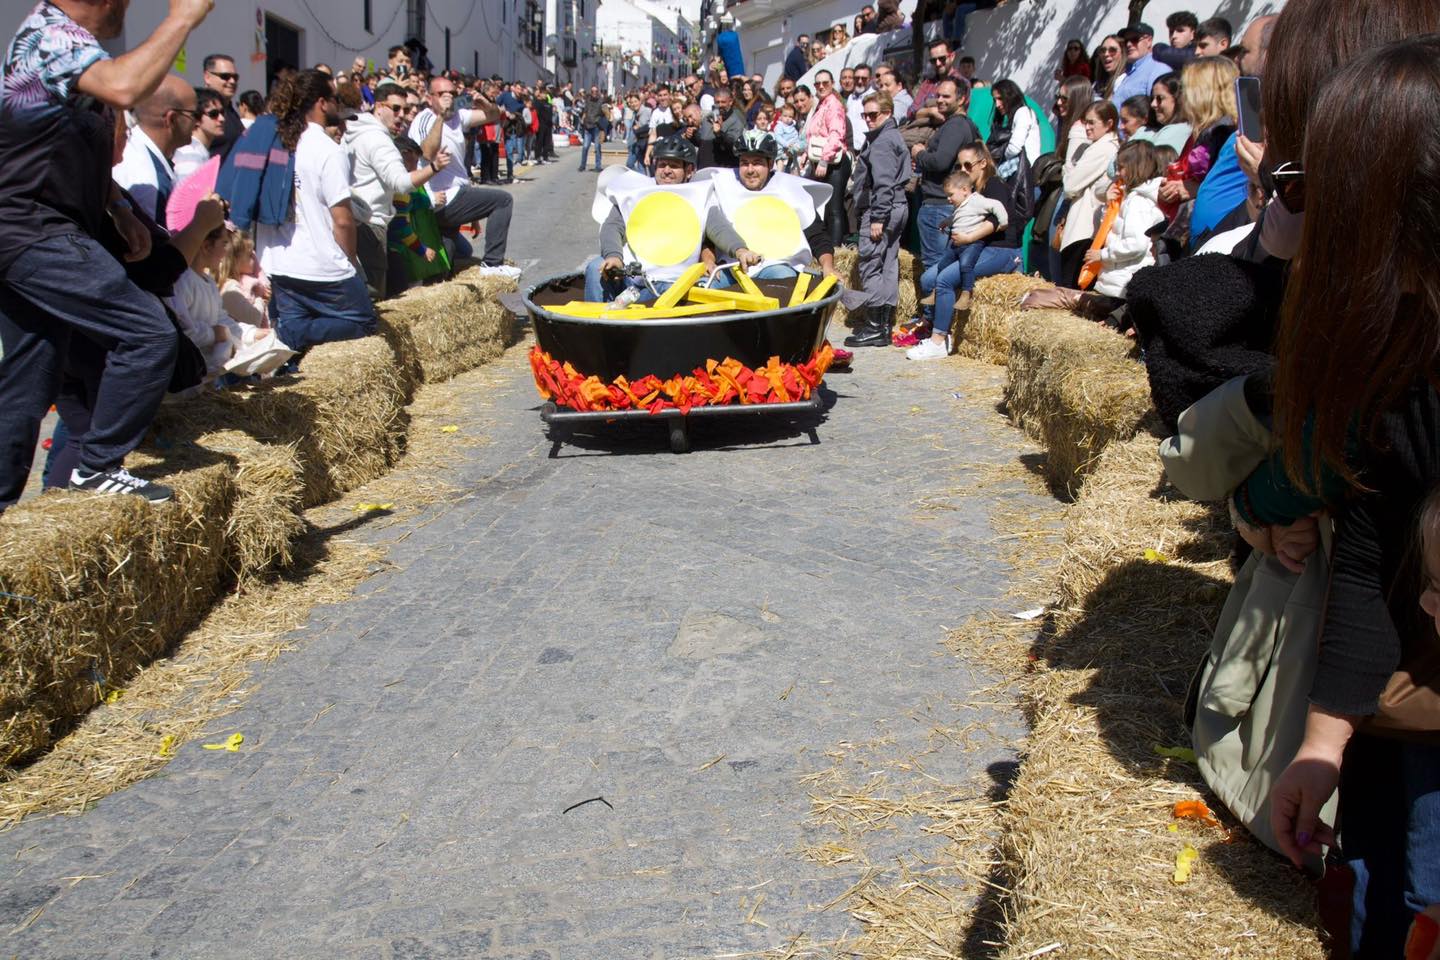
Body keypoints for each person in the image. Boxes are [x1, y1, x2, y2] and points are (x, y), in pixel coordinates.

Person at [1211, 37, 1440, 956]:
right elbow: (1370, 546)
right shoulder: (1401, 346)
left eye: (1328, 190)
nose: (1304, 211)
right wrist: (1323, 741)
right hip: (1404, 711)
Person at [0, 0, 216, 509]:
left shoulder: (76, 48)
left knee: (31, 376)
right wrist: (182, 17)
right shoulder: (52, 36)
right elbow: (125, 87)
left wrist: (117, 206)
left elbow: (65, 146)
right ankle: (96, 468)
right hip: (33, 227)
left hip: (35, 227)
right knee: (148, 333)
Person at [253, 69, 377, 356]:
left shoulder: (276, 142)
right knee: (365, 322)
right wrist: (350, 261)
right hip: (321, 264)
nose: (337, 106)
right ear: (322, 103)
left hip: (278, 261)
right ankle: (287, 333)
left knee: (302, 337)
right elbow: (343, 220)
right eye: (334, 99)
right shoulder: (327, 149)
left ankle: (289, 334)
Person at [584, 134, 752, 303]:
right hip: (632, 278)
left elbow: (719, 228)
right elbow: (612, 226)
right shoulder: (634, 191)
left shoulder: (700, 195)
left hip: (673, 283)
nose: (666, 170)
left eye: (674, 165)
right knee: (594, 267)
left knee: (680, 292)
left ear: (689, 170)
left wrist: (740, 250)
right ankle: (597, 318)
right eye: (662, 164)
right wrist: (614, 256)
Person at [908, 143, 1019, 360]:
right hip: (975, 248)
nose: (963, 170)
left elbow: (997, 221)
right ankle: (936, 327)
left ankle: (938, 341)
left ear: (983, 163)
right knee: (929, 278)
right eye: (959, 166)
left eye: (968, 165)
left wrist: (968, 238)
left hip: (1000, 249)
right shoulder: (970, 190)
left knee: (945, 280)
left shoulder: (994, 186)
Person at [340, 82, 448, 300]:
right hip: (370, 225)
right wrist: (434, 168)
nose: (402, 116)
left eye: (405, 110)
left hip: (353, 220)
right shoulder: (379, 140)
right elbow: (401, 183)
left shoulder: (352, 131)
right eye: (396, 108)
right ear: (379, 107)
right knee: (373, 298)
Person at [408, 75, 516, 275]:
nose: (448, 97)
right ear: (430, 98)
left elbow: (494, 116)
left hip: (457, 193)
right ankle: (492, 265)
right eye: (442, 94)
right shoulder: (424, 119)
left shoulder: (459, 115)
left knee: (447, 265)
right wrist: (441, 117)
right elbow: (427, 153)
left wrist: (485, 103)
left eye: (452, 93)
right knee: (503, 201)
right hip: (441, 197)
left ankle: (439, 277)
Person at [841, 91, 909, 349]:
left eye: (873, 115)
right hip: (897, 206)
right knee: (888, 264)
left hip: (882, 208)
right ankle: (884, 326)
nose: (868, 120)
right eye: (865, 115)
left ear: (888, 113)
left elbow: (883, 183)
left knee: (871, 265)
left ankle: (873, 327)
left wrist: (878, 217)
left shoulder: (882, 142)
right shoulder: (892, 136)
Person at [910, 79, 982, 317]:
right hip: (948, 204)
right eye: (938, 95)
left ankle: (932, 323)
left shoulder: (955, 126)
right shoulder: (966, 126)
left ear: (962, 99)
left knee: (935, 267)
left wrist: (920, 154)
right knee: (943, 266)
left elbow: (940, 161)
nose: (939, 100)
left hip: (939, 204)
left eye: (946, 97)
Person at [1084, 139, 1165, 299]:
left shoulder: (1138, 202)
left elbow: (1136, 243)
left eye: (1121, 168)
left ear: (1135, 168)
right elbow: (1114, 229)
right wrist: (1109, 205)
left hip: (1123, 284)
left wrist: (1103, 255)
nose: (1117, 173)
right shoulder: (1131, 197)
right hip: (1117, 281)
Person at [112, 74, 197, 224]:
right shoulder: (148, 182)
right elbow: (151, 239)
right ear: (172, 119)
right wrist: (202, 224)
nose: (198, 122)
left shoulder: (141, 151)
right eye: (195, 114)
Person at [1159, 56, 1237, 216]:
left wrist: (1196, 188)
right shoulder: (1200, 133)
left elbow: (1233, 190)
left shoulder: (1227, 133)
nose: (1181, 97)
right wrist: (1170, 191)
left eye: (1185, 89)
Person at [1057, 100, 1119, 286]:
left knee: (1071, 287)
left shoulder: (1103, 148)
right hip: (1087, 227)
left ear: (1109, 124)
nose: (1087, 128)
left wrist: (1069, 166)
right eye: (1085, 122)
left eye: (1092, 122)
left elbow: (1070, 186)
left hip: (1084, 228)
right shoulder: (1103, 146)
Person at [803, 70, 850, 248]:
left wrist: (824, 160)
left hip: (834, 162)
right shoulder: (821, 105)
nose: (821, 86)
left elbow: (836, 135)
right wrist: (807, 155)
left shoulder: (834, 105)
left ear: (832, 84)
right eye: (817, 84)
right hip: (822, 160)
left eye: (825, 83)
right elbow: (814, 135)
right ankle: (827, 246)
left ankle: (836, 249)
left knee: (834, 209)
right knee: (825, 208)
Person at [988, 79, 1042, 179]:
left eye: (1000, 98)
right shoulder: (1016, 115)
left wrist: (1002, 158)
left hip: (1026, 175)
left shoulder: (1023, 112)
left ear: (1010, 96)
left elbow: (1014, 148)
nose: (997, 104)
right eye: (995, 100)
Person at [1110, 24, 1171, 109]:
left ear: (1149, 41)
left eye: (1134, 39)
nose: (1129, 44)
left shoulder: (1158, 69)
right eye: (1126, 41)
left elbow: (1158, 108)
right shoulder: (1129, 71)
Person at [172, 87, 225, 181]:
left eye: (222, 112)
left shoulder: (198, 151)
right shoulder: (190, 154)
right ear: (196, 118)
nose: (222, 119)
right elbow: (187, 189)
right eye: (214, 114)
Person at [908, 39, 962, 123]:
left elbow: (959, 115)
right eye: (933, 60)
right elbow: (911, 112)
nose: (938, 63)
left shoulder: (961, 83)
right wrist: (930, 111)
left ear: (952, 56)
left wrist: (922, 112)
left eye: (942, 58)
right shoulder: (927, 84)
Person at [201, 53, 243, 159]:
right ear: (207, 77)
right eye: (225, 76)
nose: (232, 81)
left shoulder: (230, 111)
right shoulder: (198, 109)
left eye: (235, 77)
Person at [711, 86, 746, 169]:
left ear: (730, 102)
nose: (720, 105)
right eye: (717, 102)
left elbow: (733, 143)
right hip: (711, 165)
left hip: (729, 166)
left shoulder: (737, 119)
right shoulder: (711, 117)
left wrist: (719, 133)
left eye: (723, 102)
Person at [578, 85, 605, 172]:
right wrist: (583, 120)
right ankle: (582, 165)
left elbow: (605, 113)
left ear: (598, 92)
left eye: (596, 91)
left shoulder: (601, 101)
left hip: (596, 126)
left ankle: (598, 166)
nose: (594, 93)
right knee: (585, 146)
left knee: (597, 147)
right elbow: (585, 111)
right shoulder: (588, 100)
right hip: (587, 125)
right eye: (593, 91)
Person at [1090, 34, 1125, 101]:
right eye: (1103, 50)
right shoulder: (1096, 84)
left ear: (1122, 53)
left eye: (1112, 50)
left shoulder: (1124, 82)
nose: (1106, 54)